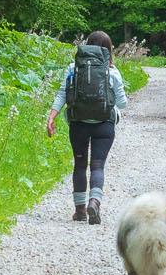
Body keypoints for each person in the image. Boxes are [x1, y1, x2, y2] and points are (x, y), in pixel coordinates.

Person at [44, 30, 128, 224]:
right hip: (104, 125)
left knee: (80, 165)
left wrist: (51, 117)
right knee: (98, 165)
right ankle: (95, 202)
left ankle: (80, 210)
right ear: (109, 50)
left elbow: (63, 94)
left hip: (78, 123)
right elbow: (123, 104)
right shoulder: (112, 71)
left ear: (87, 45)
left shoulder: (74, 68)